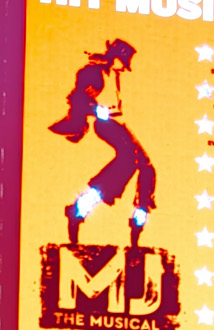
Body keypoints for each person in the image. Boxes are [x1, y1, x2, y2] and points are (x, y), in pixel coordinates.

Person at [49, 38, 155, 247]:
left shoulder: (113, 74)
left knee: (147, 168)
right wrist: (96, 109)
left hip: (119, 124)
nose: (124, 67)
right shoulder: (94, 72)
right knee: (127, 161)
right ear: (115, 56)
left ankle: (138, 220)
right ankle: (79, 208)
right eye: (123, 61)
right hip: (106, 124)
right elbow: (78, 98)